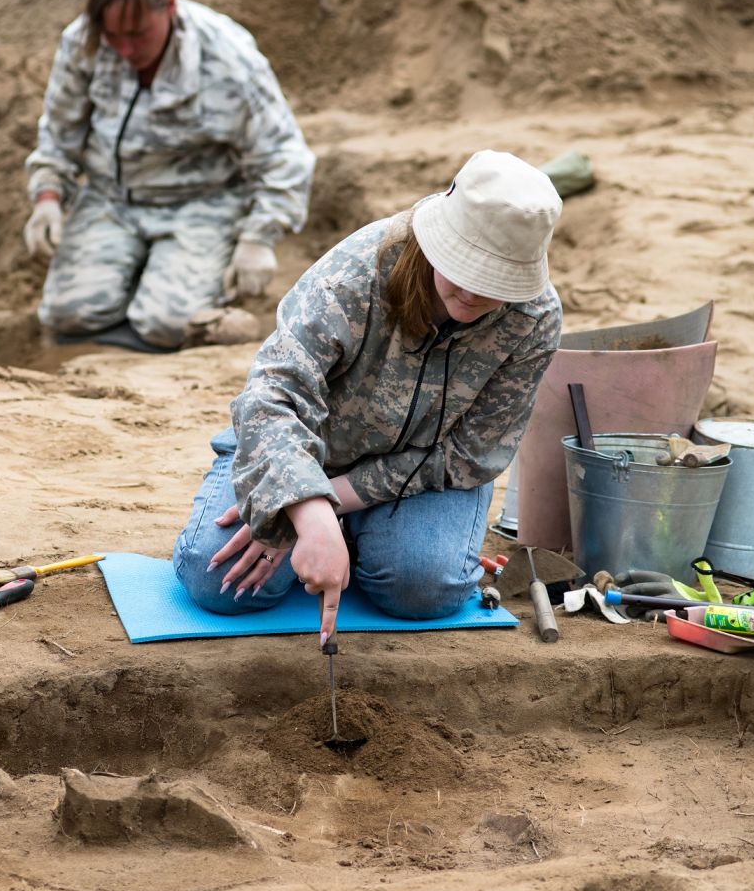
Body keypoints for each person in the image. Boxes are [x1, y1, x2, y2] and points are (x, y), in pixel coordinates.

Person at [172, 150, 563, 643]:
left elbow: (472, 454)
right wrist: (300, 501)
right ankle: (343, 541)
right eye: (463, 268)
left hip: (418, 477)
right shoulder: (358, 271)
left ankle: (355, 542)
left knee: (423, 589)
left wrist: (325, 505)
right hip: (303, 451)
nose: (471, 293)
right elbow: (273, 395)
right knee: (217, 582)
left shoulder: (536, 318)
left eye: (494, 283)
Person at [24, 0, 314, 351]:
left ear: (171, 7)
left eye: (138, 34)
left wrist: (259, 238)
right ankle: (135, 286)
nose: (125, 49)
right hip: (112, 198)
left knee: (168, 323)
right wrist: (48, 196)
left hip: (201, 202)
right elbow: (59, 131)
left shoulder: (227, 56)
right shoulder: (82, 43)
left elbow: (284, 154)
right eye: (113, 37)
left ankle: (201, 312)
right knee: (67, 314)